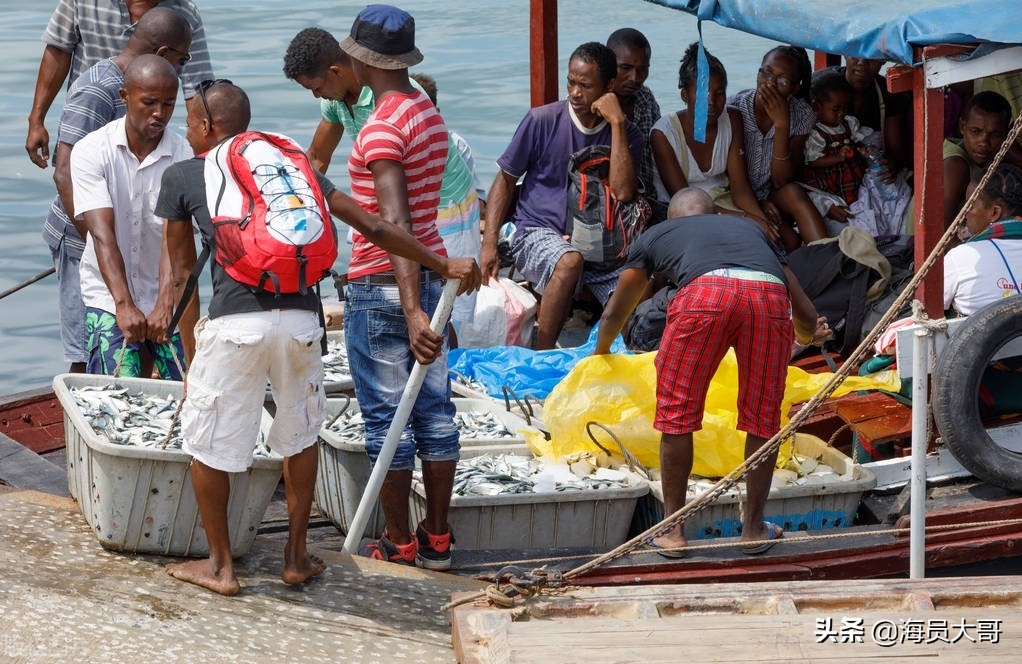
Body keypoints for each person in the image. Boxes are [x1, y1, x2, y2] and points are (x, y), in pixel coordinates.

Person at [155, 80, 480, 596]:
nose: (186, 129)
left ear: (207, 127)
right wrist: (442, 262)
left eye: (190, 121)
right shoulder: (294, 170)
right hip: (303, 322)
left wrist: (192, 361)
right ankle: (296, 557)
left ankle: (220, 566)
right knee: (300, 436)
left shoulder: (181, 176)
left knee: (210, 445)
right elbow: (372, 224)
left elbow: (178, 279)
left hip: (236, 324)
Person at [593, 188, 827, 557]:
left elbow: (616, 310)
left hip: (704, 297)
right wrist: (805, 335)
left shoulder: (656, 234)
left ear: (673, 220)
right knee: (763, 420)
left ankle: (673, 531)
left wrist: (601, 351)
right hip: (767, 299)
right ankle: (753, 530)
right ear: (714, 214)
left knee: (677, 415)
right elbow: (806, 313)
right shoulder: (749, 230)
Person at [339, 4, 465, 570]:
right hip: (432, 274)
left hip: (385, 283)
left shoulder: (383, 126)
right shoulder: (425, 112)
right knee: (435, 413)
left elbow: (394, 226)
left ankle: (398, 540)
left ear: (363, 60)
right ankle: (438, 538)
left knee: (387, 420)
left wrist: (412, 308)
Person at [282, 29, 483, 339]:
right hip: (390, 200)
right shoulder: (335, 100)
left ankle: (444, 364)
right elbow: (317, 160)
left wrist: (413, 309)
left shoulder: (393, 96)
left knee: (443, 307)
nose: (316, 96)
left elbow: (398, 219)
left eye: (317, 87)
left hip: (441, 203)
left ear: (335, 71)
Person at [45, 6, 192, 374]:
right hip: (108, 288)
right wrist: (124, 303)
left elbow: (171, 238)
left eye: (169, 105)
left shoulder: (182, 152)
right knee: (112, 377)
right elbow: (102, 235)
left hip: (158, 284)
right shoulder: (93, 149)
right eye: (149, 103)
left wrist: (164, 302)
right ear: (125, 97)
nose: (159, 114)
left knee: (178, 382)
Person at [482, 41, 643, 350]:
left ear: (609, 87)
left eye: (585, 85)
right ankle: (541, 355)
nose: (575, 92)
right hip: (539, 233)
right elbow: (505, 180)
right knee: (569, 261)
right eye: (571, 82)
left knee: (633, 293)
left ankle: (602, 363)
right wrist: (489, 242)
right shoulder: (541, 120)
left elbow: (623, 192)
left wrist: (618, 123)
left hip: (601, 246)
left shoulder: (627, 134)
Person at [27, 0, 213, 169]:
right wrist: (36, 120)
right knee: (75, 171)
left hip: (143, 132)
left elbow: (197, 89)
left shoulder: (185, 13)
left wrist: (207, 156)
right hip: (88, 112)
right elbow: (58, 51)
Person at [650, 42, 770, 233]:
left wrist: (763, 223)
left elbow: (740, 189)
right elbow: (685, 201)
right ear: (684, 95)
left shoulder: (732, 119)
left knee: (781, 238)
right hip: (685, 214)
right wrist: (748, 220)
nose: (711, 102)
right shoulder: (663, 134)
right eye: (701, 94)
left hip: (725, 203)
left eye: (719, 93)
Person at [728, 45, 823, 249]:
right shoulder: (734, 109)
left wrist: (781, 125)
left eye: (782, 80)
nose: (770, 84)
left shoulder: (801, 114)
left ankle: (827, 257)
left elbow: (783, 181)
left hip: (772, 192)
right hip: (734, 194)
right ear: (758, 73)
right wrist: (758, 208)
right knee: (787, 241)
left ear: (795, 88)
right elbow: (729, 180)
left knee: (793, 193)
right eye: (767, 73)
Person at [944, 162, 1022, 316]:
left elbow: (926, 310)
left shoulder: (960, 257)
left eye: (970, 206)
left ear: (994, 212)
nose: (965, 213)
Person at [826, 56, 911, 174]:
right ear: (845, 53)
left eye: (871, 56)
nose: (862, 62)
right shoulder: (824, 87)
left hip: (869, 176)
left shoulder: (888, 93)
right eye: (855, 53)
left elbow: (896, 153)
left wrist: (890, 165)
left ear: (883, 60)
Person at [944, 91, 1012, 229]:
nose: (984, 142)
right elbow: (941, 231)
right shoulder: (955, 165)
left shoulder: (997, 157)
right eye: (975, 131)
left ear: (1007, 133)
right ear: (962, 127)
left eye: (995, 134)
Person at [606, 27, 660, 197]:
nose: (635, 78)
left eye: (642, 69)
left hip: (647, 199)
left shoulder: (645, 98)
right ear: (608, 64)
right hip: (603, 202)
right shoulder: (588, 101)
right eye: (625, 68)